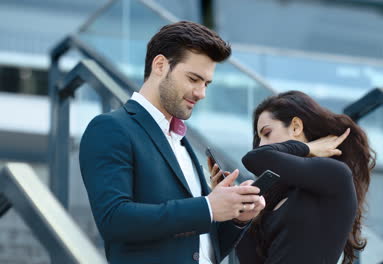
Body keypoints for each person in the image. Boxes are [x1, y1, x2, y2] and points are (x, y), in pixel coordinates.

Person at [79, 21, 265, 264]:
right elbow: (114, 219)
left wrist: (237, 217)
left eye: (206, 83)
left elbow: (203, 248)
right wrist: (207, 207)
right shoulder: (111, 128)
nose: (201, 93)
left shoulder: (181, 142)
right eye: (193, 78)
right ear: (160, 65)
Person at [210, 91, 376, 264]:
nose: (260, 145)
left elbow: (254, 158)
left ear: (296, 127)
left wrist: (306, 148)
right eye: (258, 139)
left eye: (266, 133)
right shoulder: (275, 195)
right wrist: (240, 216)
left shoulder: (335, 174)